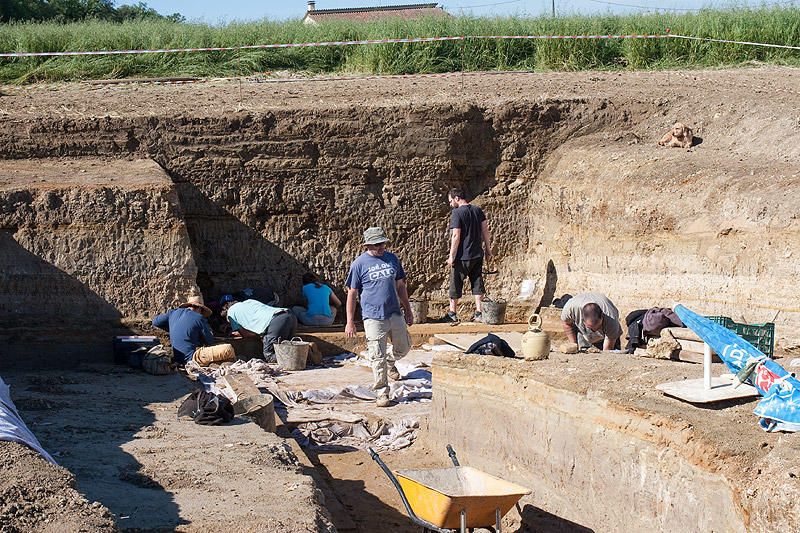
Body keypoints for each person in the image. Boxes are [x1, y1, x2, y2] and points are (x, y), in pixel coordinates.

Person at [345, 227, 414, 408]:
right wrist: (350, 321)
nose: (381, 247)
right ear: (368, 245)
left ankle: (390, 361)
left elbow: (400, 285)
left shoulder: (392, 259)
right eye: (377, 244)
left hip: (394, 313)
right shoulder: (359, 264)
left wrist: (408, 309)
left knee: (404, 347)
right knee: (376, 356)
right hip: (373, 317)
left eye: (383, 243)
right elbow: (352, 293)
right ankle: (382, 393)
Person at [442, 188, 492, 323]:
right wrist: (488, 250)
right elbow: (485, 231)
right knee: (477, 283)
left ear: (457, 198)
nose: (451, 203)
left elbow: (456, 235)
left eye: (451, 200)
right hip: (477, 254)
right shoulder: (478, 210)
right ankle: (479, 313)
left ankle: (452, 313)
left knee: (455, 283)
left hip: (462, 256)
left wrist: (452, 256)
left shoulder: (457, 213)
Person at [152, 295, 233, 366]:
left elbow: (155, 322)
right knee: (228, 349)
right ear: (199, 308)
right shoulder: (199, 318)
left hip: (177, 357)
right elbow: (210, 341)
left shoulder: (173, 313)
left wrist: (172, 327)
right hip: (192, 357)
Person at [221, 299, 297, 362]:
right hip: (289, 315)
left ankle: (294, 361)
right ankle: (301, 357)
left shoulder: (231, 314)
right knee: (287, 348)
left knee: (269, 355)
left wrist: (238, 333)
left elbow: (246, 335)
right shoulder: (249, 301)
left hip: (276, 321)